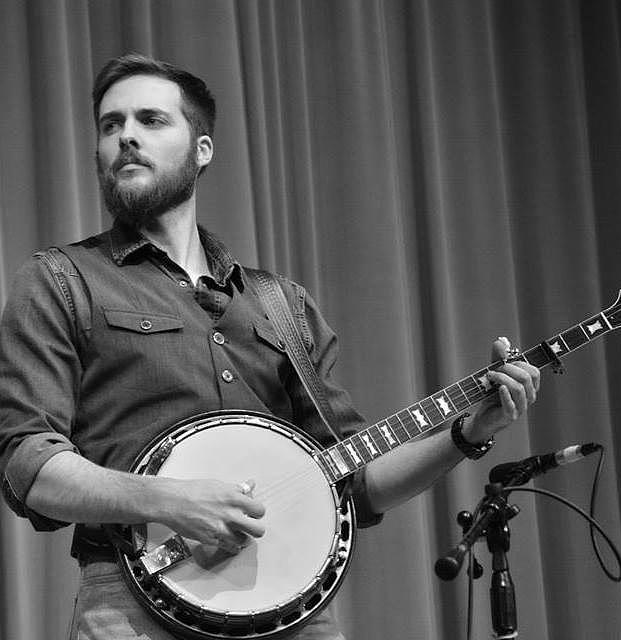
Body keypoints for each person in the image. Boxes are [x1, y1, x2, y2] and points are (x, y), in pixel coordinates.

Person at [0, 54, 540, 640]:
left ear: (202, 149)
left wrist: (467, 432)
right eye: (110, 125)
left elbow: (358, 482)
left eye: (151, 120)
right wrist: (166, 500)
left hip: (295, 614)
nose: (125, 135)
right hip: (133, 609)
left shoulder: (280, 303)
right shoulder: (60, 279)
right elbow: (29, 465)